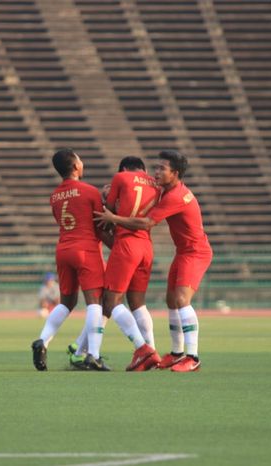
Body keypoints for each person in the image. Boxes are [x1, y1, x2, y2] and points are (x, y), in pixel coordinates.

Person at [95, 150, 213, 372]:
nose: (156, 172)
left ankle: (193, 357)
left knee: (181, 299)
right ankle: (177, 354)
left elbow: (147, 222)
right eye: (156, 167)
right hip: (183, 251)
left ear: (175, 173)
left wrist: (114, 218)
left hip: (195, 252)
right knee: (171, 300)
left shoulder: (175, 196)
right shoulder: (167, 191)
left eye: (162, 169)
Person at [31, 148, 111, 371]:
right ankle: (93, 355)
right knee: (95, 301)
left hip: (63, 249)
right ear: (76, 166)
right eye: (81, 159)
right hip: (86, 249)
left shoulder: (55, 195)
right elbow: (101, 225)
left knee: (67, 302)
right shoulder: (89, 191)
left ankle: (43, 340)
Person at [102, 156, 161, 371]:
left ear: (124, 168)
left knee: (111, 301)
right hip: (146, 246)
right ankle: (152, 350)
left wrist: (106, 197)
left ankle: (142, 349)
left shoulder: (121, 176)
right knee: (138, 303)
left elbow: (107, 213)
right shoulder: (156, 183)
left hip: (127, 244)